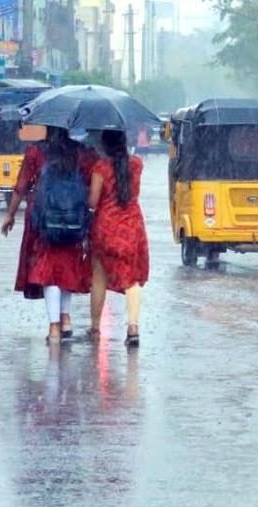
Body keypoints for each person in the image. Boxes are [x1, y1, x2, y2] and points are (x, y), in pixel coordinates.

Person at [1, 127, 98, 343]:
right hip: (73, 218)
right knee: (66, 267)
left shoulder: (35, 152)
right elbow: (94, 182)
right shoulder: (81, 152)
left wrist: (10, 214)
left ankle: (54, 328)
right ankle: (65, 319)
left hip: (44, 219)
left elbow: (21, 187)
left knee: (48, 271)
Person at [88, 130, 150, 346]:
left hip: (106, 227)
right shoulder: (137, 164)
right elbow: (134, 193)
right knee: (131, 279)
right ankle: (133, 328)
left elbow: (93, 202)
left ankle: (95, 327)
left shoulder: (101, 168)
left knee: (99, 277)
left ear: (105, 145)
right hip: (132, 226)